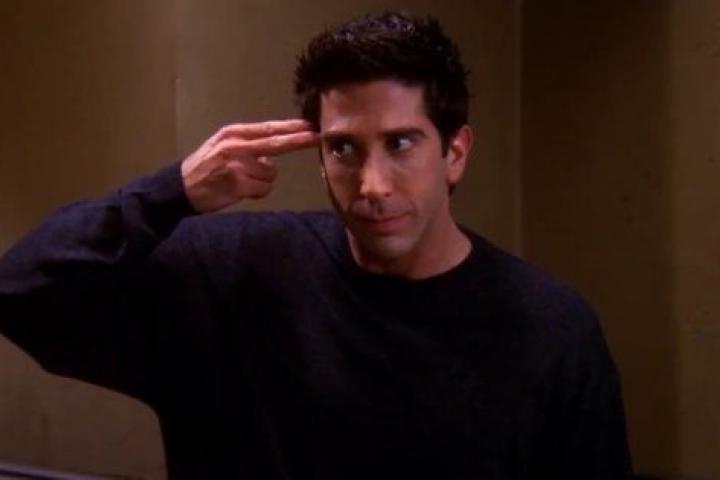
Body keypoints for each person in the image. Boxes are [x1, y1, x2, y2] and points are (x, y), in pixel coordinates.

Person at [0, 11, 632, 479]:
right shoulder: (231, 274)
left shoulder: (550, 329)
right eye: (344, 148)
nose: (373, 186)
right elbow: (21, 289)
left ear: (455, 153)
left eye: (401, 144)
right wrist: (170, 193)